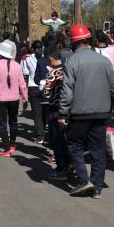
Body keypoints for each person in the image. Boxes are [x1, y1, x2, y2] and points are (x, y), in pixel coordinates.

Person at [59, 24, 114, 197]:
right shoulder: (104, 61)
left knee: (74, 145)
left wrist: (63, 113)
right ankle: (97, 187)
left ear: (73, 43)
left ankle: (84, 180)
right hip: (102, 113)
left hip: (79, 113)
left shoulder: (72, 62)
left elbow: (67, 91)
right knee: (98, 149)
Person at [0, 40, 28, 156]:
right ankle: (13, 144)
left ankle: (7, 148)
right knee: (13, 122)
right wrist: (25, 98)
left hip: (0, 99)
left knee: (2, 124)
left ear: (0, 54)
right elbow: (22, 84)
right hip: (14, 98)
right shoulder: (17, 66)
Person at [43, 49, 70, 180]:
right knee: (66, 139)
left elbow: (47, 93)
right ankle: (69, 165)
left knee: (57, 140)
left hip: (55, 109)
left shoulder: (52, 73)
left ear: (52, 59)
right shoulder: (67, 70)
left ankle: (61, 168)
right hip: (68, 109)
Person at [23, 40, 48, 143]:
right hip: (45, 87)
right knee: (44, 111)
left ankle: (40, 135)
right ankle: (43, 132)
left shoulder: (27, 59)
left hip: (33, 87)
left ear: (32, 49)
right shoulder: (46, 59)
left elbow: (25, 72)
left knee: (36, 113)